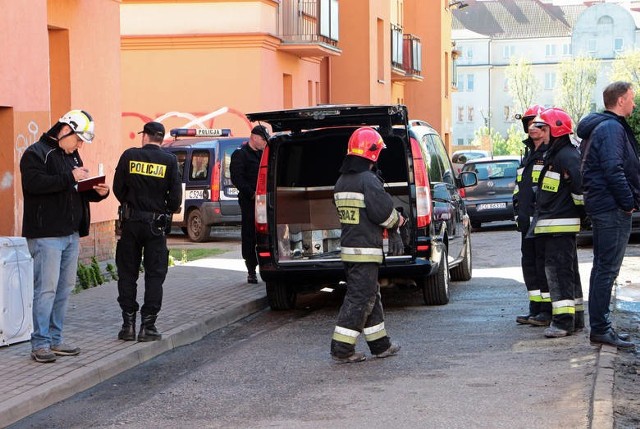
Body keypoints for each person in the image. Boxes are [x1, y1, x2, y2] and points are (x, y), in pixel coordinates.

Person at [20, 109, 110, 363]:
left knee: (64, 288)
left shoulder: (72, 155)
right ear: (65, 131)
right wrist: (69, 176)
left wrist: (98, 191)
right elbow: (34, 184)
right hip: (46, 233)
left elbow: (76, 190)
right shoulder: (35, 153)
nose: (80, 145)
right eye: (79, 139)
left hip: (70, 233)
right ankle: (40, 343)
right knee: (46, 289)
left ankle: (55, 339)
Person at [330, 127, 404, 363]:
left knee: (371, 296)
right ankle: (342, 349)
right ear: (372, 153)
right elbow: (383, 213)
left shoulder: (342, 181)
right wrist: (399, 220)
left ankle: (381, 345)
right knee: (360, 299)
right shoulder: (368, 181)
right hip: (365, 251)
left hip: (351, 250)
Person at [577, 81, 640, 349]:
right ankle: (601, 329)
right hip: (612, 207)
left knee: (603, 268)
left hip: (606, 205)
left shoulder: (602, 127)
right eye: (632, 98)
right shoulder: (612, 128)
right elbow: (613, 168)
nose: (634, 104)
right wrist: (628, 203)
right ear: (621, 100)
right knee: (607, 269)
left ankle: (601, 327)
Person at [113, 121, 182, 342]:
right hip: (156, 225)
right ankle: (148, 326)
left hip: (131, 222)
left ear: (145, 136)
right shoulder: (169, 161)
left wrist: (129, 202)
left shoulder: (129, 156)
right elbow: (175, 199)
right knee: (154, 275)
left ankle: (128, 326)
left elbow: (118, 188)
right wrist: (164, 208)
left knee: (127, 273)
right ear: (160, 138)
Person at [529, 108, 585, 339]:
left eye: (544, 127)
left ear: (556, 129)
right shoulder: (556, 154)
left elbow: (580, 189)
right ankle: (577, 317)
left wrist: (581, 211)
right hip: (554, 224)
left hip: (559, 225)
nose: (540, 131)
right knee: (568, 272)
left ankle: (563, 322)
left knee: (559, 274)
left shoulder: (566, 155)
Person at [513, 104, 552, 327]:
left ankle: (546, 311)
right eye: (529, 122)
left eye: (537, 123)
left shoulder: (549, 152)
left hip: (543, 220)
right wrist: (518, 210)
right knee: (529, 265)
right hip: (527, 221)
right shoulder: (528, 154)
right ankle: (535, 308)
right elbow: (522, 187)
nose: (532, 126)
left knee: (542, 265)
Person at [230, 125, 269, 284]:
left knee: (265, 234)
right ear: (254, 137)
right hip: (249, 201)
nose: (264, 143)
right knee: (249, 236)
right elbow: (237, 178)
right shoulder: (240, 154)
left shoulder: (262, 154)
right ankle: (251, 270)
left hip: (264, 201)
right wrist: (252, 194)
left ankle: (266, 267)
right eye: (263, 139)